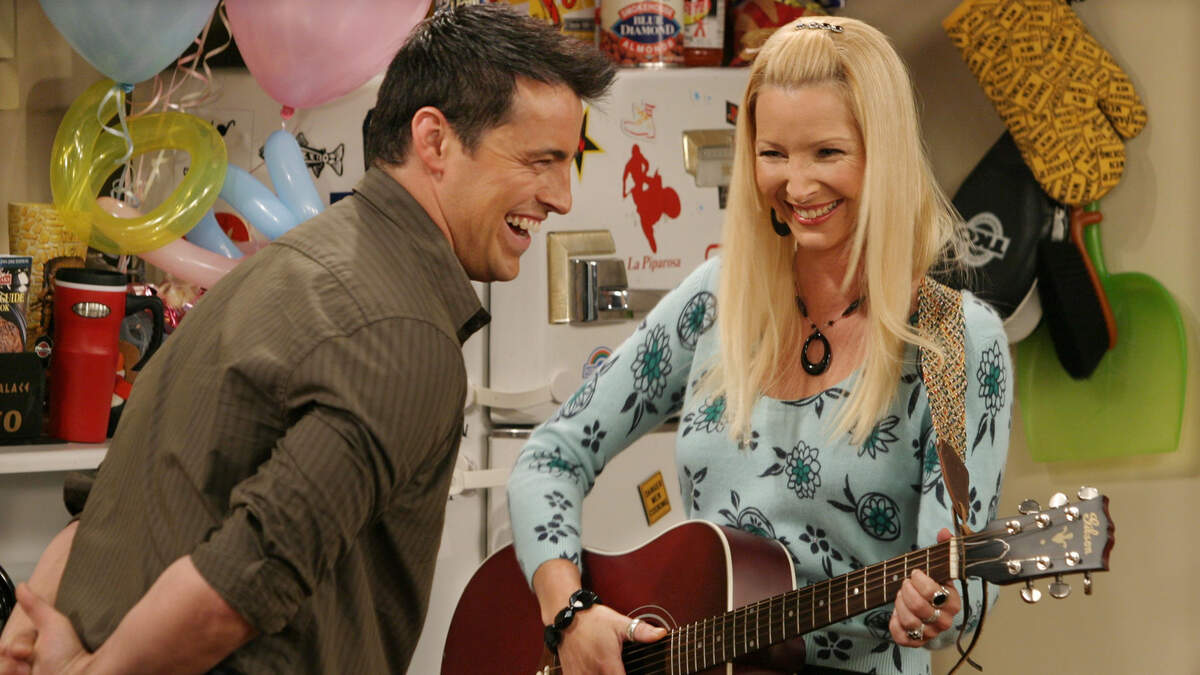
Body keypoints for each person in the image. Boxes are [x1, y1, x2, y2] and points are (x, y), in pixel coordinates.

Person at [0, 5, 615, 674]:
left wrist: (34, 620)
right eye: (540, 160)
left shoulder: (288, 262)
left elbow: (115, 496)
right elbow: (247, 576)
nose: (561, 197)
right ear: (435, 141)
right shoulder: (402, 331)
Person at [506, 15, 1012, 675]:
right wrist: (569, 612)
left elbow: (963, 573)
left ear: (884, 155)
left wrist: (942, 606)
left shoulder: (956, 338)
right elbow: (551, 455)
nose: (796, 186)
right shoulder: (716, 300)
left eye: (826, 153)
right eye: (774, 154)